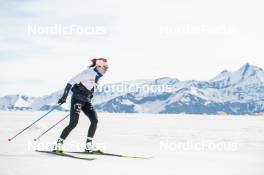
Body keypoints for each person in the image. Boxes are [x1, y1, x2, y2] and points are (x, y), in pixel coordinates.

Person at [53, 58, 108, 153]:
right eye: (105, 67)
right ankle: (58, 145)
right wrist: (64, 97)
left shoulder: (98, 77)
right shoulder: (88, 73)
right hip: (77, 100)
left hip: (86, 101)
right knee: (73, 124)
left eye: (107, 68)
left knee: (94, 120)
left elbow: (89, 89)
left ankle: (88, 146)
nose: (106, 70)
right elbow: (70, 82)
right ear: (99, 66)